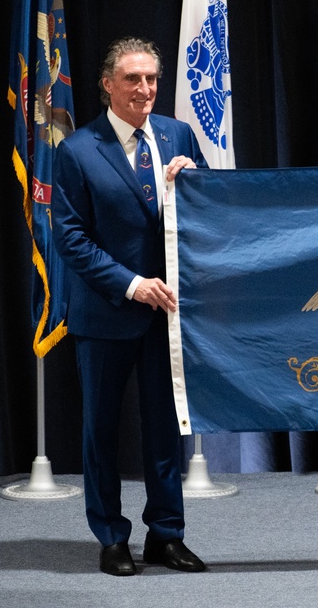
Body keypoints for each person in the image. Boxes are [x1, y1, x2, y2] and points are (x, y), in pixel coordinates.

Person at [52, 37, 207, 576]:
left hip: (167, 315)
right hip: (105, 313)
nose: (145, 90)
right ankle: (112, 538)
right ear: (107, 85)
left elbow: (208, 212)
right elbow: (70, 238)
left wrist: (190, 186)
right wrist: (131, 284)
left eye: (152, 79)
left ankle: (166, 534)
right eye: (133, 79)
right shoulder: (76, 150)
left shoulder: (177, 135)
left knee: (166, 431)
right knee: (102, 431)